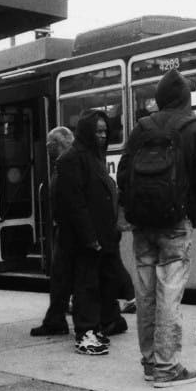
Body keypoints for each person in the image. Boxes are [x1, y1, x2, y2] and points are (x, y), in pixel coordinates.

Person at [118, 70, 196, 387]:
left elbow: (123, 174)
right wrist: (194, 209)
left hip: (142, 226)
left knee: (146, 295)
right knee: (169, 296)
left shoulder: (141, 129)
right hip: (176, 223)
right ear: (186, 99)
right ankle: (167, 368)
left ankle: (150, 363)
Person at [54, 111, 123, 356]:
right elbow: (75, 203)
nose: (103, 136)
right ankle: (84, 334)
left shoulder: (94, 156)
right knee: (85, 286)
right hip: (85, 238)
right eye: (98, 131)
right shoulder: (72, 159)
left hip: (101, 234)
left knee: (97, 284)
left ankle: (93, 329)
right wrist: (90, 237)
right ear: (87, 132)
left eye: (105, 131)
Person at [29, 126, 76, 337]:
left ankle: (56, 320)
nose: (46, 150)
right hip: (68, 227)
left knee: (60, 276)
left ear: (57, 144)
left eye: (48, 145)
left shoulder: (66, 163)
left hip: (68, 229)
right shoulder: (68, 161)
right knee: (65, 277)